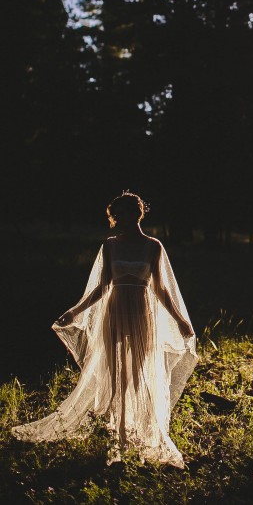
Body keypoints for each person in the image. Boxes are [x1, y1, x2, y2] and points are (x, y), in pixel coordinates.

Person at [12, 192, 198, 468]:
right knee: (118, 375)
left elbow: (160, 289)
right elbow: (101, 288)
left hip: (142, 313)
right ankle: (120, 441)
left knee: (139, 374)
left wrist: (181, 319)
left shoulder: (153, 246)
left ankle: (144, 434)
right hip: (114, 312)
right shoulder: (110, 246)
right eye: (115, 215)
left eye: (120, 214)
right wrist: (74, 311)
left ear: (136, 214)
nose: (116, 220)